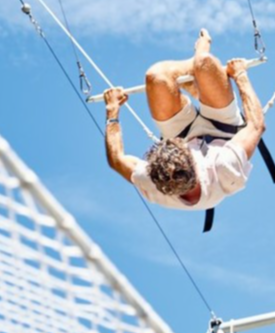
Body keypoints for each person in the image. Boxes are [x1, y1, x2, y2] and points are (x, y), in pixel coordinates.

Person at [104, 29, 266, 211]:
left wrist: (112, 111)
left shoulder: (152, 181)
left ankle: (195, 77)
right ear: (194, 166)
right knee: (204, 63)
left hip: (180, 135)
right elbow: (257, 125)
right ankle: (199, 67)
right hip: (223, 129)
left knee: (155, 77)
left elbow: (116, 160)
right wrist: (240, 75)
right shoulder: (224, 168)